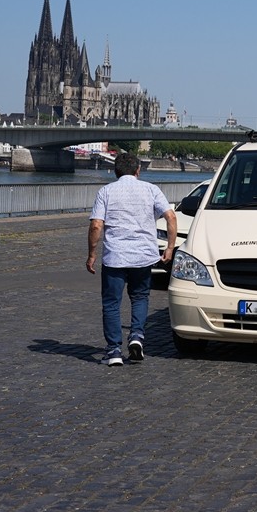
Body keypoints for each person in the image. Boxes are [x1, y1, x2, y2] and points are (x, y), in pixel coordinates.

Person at [87, 153, 177, 366]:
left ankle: (114, 351)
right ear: (138, 170)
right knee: (140, 297)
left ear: (116, 171)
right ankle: (136, 337)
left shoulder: (106, 191)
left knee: (111, 304)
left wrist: (91, 254)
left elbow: (96, 225)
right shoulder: (151, 189)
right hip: (143, 256)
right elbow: (171, 217)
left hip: (115, 257)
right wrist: (170, 248)